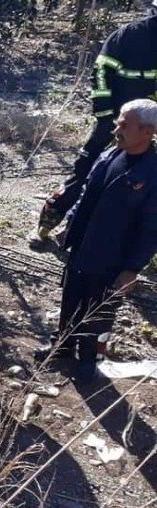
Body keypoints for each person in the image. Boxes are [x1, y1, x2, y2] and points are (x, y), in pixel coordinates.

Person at [34, 99, 157, 383]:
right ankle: (62, 346)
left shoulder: (151, 173)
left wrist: (132, 269)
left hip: (113, 258)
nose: (117, 128)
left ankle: (87, 360)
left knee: (99, 311)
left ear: (147, 131)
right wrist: (70, 224)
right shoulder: (110, 155)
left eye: (124, 124)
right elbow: (86, 194)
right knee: (71, 298)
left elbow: (150, 230)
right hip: (83, 246)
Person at [34, 4, 157, 241]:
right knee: (85, 169)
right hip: (115, 122)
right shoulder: (128, 36)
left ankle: (83, 230)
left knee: (135, 184)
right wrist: (105, 117)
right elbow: (101, 72)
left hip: (147, 129)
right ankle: (46, 226)